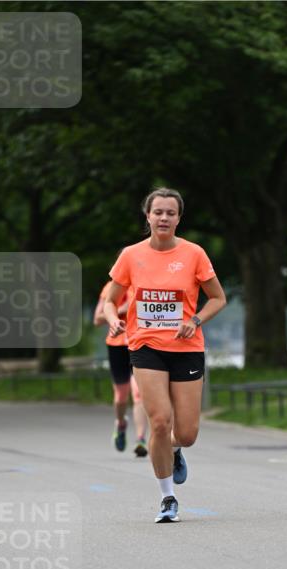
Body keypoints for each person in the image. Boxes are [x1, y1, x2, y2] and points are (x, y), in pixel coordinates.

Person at [104, 188, 226, 522]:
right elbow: (110, 300)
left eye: (170, 213)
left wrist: (195, 319)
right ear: (147, 216)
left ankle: (175, 450)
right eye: (158, 212)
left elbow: (218, 298)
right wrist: (114, 321)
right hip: (145, 346)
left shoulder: (194, 254)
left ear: (178, 218)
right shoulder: (131, 255)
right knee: (159, 421)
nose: (163, 218)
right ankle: (167, 497)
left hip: (186, 347)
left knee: (186, 433)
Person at [93, 281, 148, 455]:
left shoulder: (144, 284)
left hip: (138, 343)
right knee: (120, 396)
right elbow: (97, 319)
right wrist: (122, 309)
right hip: (116, 345)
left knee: (139, 393)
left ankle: (140, 439)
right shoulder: (111, 287)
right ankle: (121, 423)